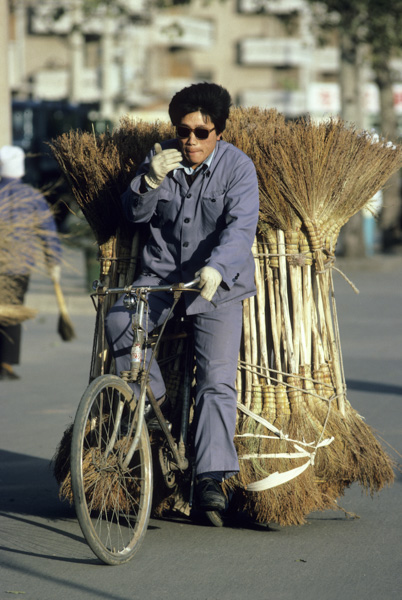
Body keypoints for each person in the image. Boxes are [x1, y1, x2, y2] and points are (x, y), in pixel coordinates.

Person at [105, 82, 259, 511]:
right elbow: (133, 215)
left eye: (201, 132)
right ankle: (156, 409)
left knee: (216, 381)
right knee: (118, 320)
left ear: (219, 132)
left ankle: (210, 477)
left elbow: (241, 227)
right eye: (182, 131)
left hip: (215, 287)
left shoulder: (239, 168)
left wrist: (218, 266)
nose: (190, 140)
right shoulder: (160, 159)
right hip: (158, 280)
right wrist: (149, 179)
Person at [0, 145, 62, 380]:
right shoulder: (33, 197)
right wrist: (53, 263)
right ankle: (6, 362)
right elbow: (48, 232)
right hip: (19, 266)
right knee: (12, 309)